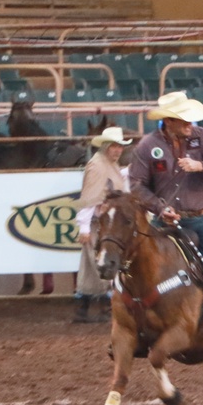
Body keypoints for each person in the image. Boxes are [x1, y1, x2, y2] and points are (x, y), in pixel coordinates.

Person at [128, 91, 203, 361]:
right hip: (164, 221)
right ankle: (133, 328)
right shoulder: (147, 147)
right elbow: (136, 186)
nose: (190, 126)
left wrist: (200, 165)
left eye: (191, 121)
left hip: (202, 218)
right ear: (168, 121)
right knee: (134, 267)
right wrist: (160, 208)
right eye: (184, 121)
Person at [73, 126, 132, 324]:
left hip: (101, 222)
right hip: (99, 222)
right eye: (114, 146)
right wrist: (84, 227)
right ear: (106, 146)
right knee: (102, 261)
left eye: (120, 146)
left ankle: (83, 309)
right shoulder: (98, 166)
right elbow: (89, 198)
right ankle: (107, 308)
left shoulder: (105, 163)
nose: (117, 150)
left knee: (91, 264)